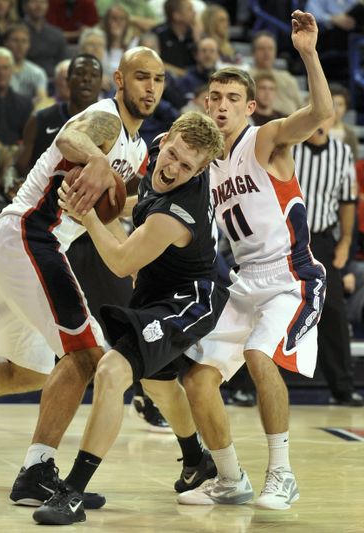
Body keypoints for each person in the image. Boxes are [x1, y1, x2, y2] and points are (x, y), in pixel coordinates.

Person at [0, 46, 165, 507]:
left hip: (30, 244)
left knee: (26, 372)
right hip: (29, 236)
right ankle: (36, 471)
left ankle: (36, 467)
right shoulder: (104, 118)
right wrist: (95, 158)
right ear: (119, 80)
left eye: (157, 79)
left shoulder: (136, 150)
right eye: (140, 77)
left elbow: (111, 209)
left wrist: (134, 249)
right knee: (86, 356)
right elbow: (73, 136)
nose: (150, 87)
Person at [32, 110, 229, 525]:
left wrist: (87, 213)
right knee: (157, 383)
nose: (172, 168)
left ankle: (73, 492)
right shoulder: (162, 153)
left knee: (111, 371)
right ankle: (197, 462)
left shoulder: (177, 214)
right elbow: (144, 203)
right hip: (156, 289)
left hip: (187, 300)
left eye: (186, 166)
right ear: (169, 136)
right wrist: (120, 202)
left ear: (202, 169)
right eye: (172, 154)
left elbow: (121, 263)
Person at [175, 10, 332, 510]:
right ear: (206, 104)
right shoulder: (209, 165)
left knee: (259, 356)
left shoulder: (264, 139)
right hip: (246, 281)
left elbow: (321, 114)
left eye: (232, 99)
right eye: (215, 98)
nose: (222, 106)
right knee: (197, 379)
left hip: (292, 276)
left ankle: (282, 475)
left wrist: (308, 53)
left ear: (251, 105)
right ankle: (229, 478)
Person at [293, 117, 364, 406]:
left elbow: (348, 201)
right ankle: (244, 387)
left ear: (332, 121)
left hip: (322, 239)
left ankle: (342, 389)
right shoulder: (289, 148)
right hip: (285, 239)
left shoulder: (342, 153)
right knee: (267, 306)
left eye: (326, 117)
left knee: (333, 310)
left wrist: (345, 241)